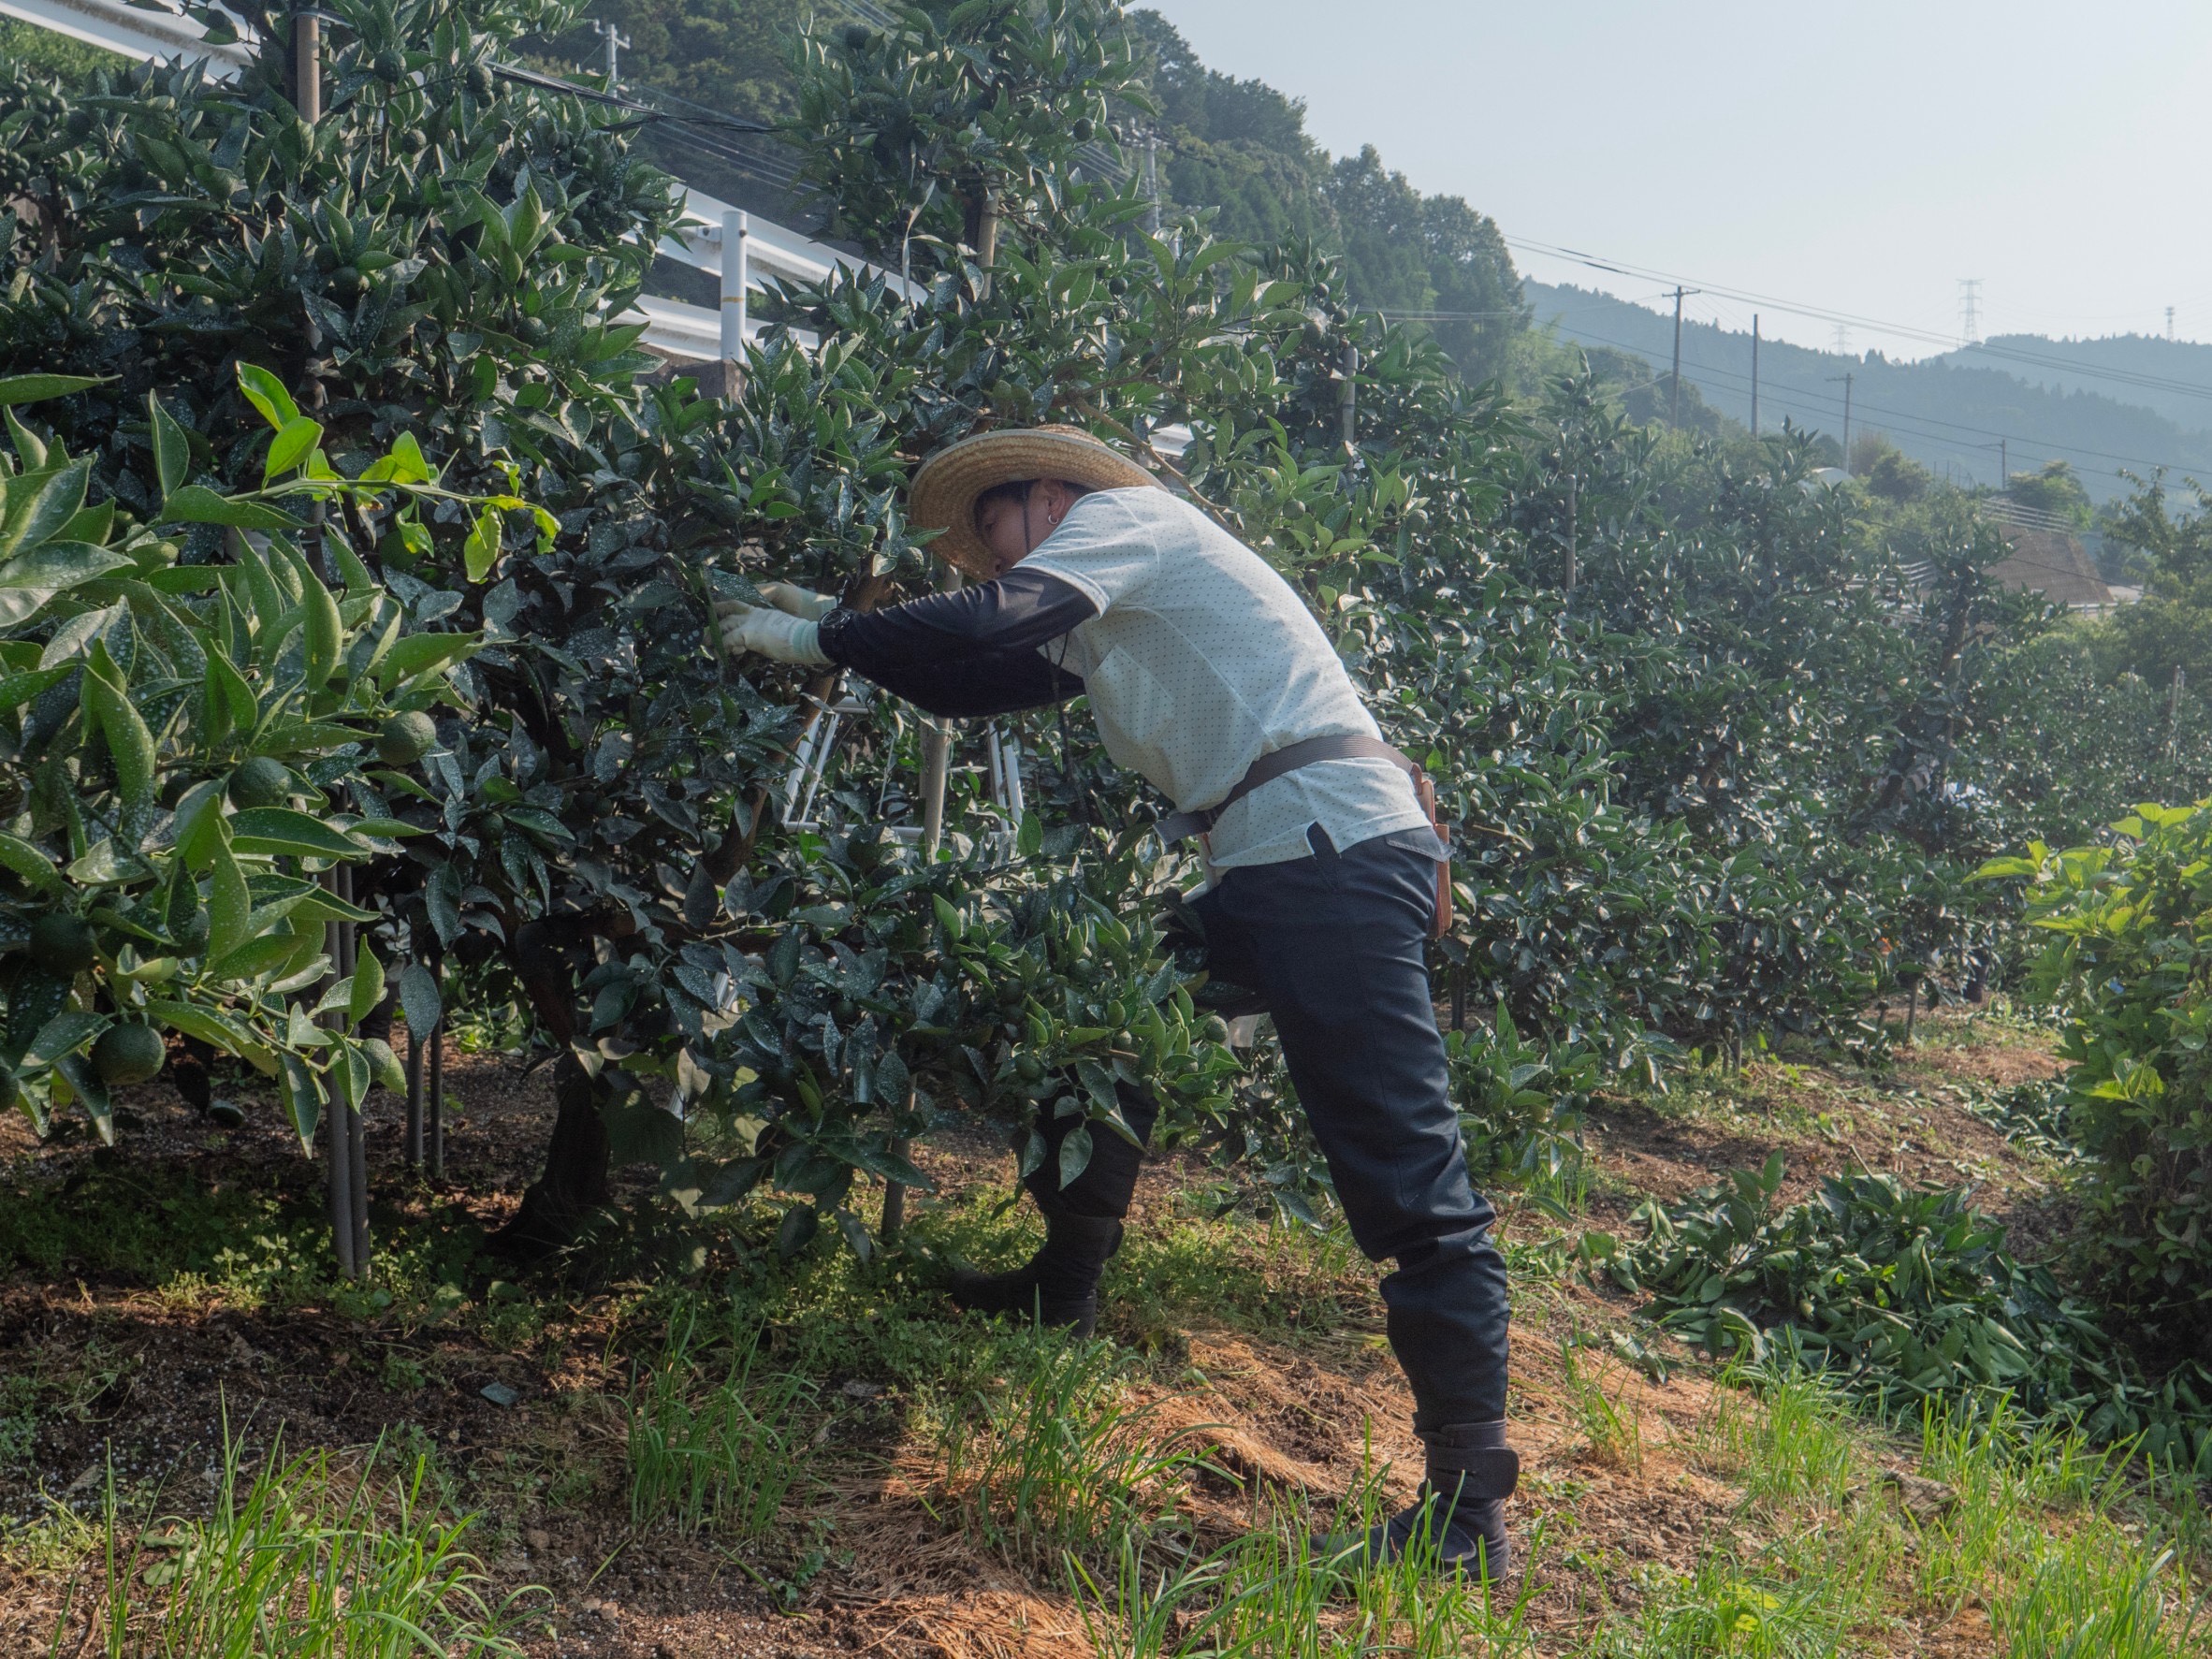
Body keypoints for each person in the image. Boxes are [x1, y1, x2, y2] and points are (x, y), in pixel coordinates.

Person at [716, 425, 1517, 1577]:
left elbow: (991, 622)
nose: (979, 563)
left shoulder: (1127, 523)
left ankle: (1468, 1513)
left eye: (986, 532)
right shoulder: (1102, 604)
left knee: (1405, 1175)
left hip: (1331, 853)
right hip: (1273, 861)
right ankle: (1063, 1286)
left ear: (1048, 495)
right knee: (1090, 1017)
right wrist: (835, 638)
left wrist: (810, 635)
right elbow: (964, 681)